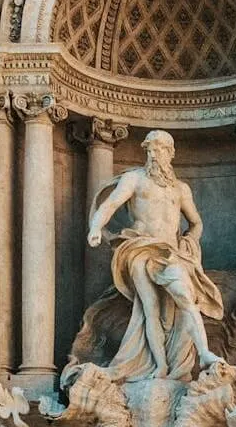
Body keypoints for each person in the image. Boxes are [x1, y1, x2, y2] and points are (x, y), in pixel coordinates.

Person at [86, 130, 225, 382]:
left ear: (170, 153)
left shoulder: (180, 189)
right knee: (149, 309)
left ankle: (204, 353)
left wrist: (189, 241)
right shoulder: (134, 179)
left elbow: (196, 223)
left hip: (170, 252)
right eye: (150, 149)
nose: (153, 153)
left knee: (185, 296)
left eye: (159, 149)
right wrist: (96, 227)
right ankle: (160, 366)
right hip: (140, 248)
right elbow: (110, 204)